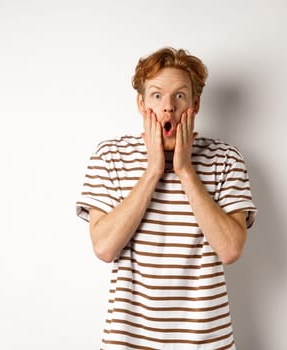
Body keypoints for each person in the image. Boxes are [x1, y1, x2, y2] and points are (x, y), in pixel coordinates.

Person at [75, 47, 257, 349]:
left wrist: (185, 170)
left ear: (196, 104)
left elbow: (230, 249)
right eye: (157, 95)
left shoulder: (226, 159)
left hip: (206, 342)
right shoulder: (110, 157)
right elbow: (104, 248)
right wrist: (153, 170)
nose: (168, 108)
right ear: (141, 103)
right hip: (129, 342)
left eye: (180, 96)